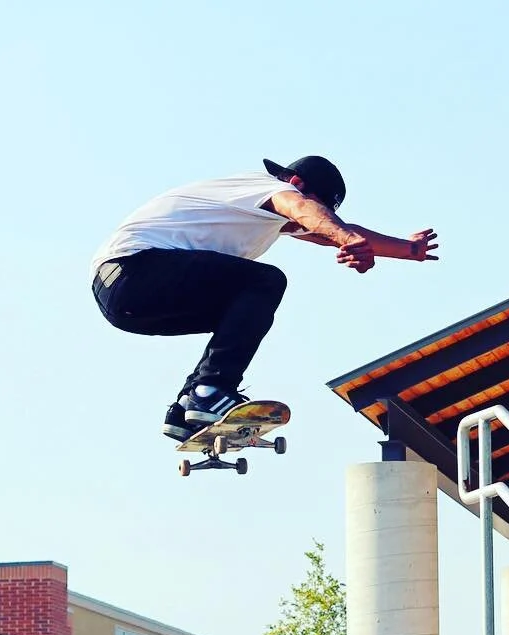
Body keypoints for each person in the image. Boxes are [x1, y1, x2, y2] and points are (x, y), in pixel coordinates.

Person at [89, 155, 439, 440]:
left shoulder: (260, 214)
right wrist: (344, 236)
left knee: (240, 312)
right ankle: (211, 390)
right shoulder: (267, 188)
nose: (300, 225)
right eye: (316, 206)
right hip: (136, 269)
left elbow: (323, 231)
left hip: (124, 301)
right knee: (266, 282)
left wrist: (408, 250)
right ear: (298, 184)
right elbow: (304, 212)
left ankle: (186, 407)